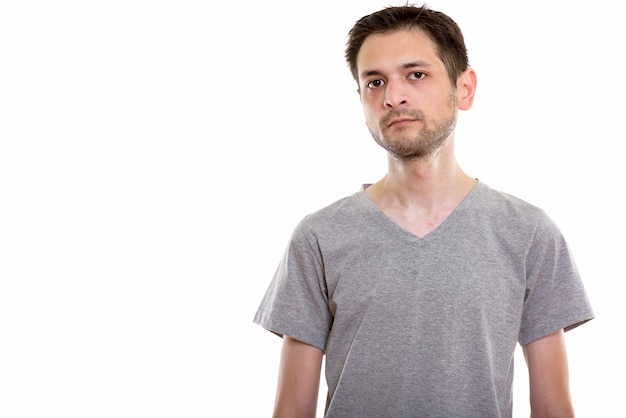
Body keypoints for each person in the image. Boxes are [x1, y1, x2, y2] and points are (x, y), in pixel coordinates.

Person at [253, 4, 594, 417]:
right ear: (360, 100)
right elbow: (291, 411)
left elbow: (554, 409)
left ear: (464, 88)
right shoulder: (318, 237)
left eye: (416, 74)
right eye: (374, 81)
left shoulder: (529, 232)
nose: (393, 96)